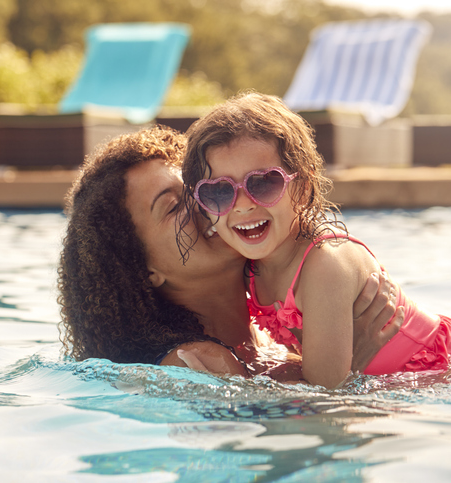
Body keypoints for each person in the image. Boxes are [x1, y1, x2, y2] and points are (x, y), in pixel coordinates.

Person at [58, 125, 403, 380]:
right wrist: (354, 365)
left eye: (207, 187)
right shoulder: (198, 363)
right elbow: (316, 430)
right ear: (144, 271)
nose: (212, 204)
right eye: (174, 205)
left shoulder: (272, 326)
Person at [181, 92, 450, 388]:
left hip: (436, 370)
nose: (243, 205)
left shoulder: (326, 264)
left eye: (264, 183)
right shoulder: (249, 266)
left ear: (304, 186)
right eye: (219, 192)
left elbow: (324, 396)